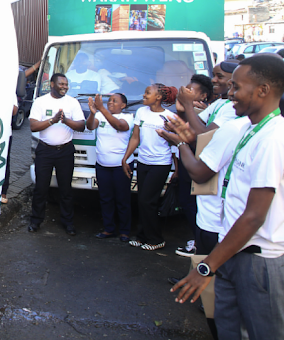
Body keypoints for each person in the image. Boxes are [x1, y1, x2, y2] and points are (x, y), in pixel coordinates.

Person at [167, 54, 284, 340]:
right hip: (230, 252)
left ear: (263, 90)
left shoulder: (274, 138)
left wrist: (206, 266)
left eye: (237, 87)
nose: (230, 93)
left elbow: (255, 215)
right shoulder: (245, 129)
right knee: (227, 330)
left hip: (257, 262)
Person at [122, 84, 177, 251]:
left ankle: (156, 239)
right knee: (142, 200)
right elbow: (135, 138)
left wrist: (178, 169)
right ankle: (142, 236)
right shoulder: (141, 112)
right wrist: (125, 158)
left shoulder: (169, 117)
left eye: (147, 93)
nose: (143, 95)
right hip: (143, 162)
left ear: (158, 97)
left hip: (160, 164)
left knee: (148, 201)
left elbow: (175, 144)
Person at [29, 73, 86, 235]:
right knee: (41, 188)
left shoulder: (72, 102)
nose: (64, 87)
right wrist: (52, 121)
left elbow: (81, 126)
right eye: (61, 84)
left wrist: (65, 120)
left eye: (66, 84)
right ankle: (35, 221)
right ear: (52, 84)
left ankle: (68, 223)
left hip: (65, 151)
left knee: (66, 189)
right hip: (45, 151)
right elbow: (33, 126)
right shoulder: (40, 101)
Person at [172, 73, 215, 257]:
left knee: (193, 204)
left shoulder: (204, 109)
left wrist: (188, 107)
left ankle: (199, 244)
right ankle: (197, 240)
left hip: (200, 163)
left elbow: (201, 136)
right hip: (187, 159)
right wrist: (181, 110)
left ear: (204, 96)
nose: (186, 92)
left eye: (191, 90)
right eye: (186, 88)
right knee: (186, 201)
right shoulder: (192, 108)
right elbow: (184, 127)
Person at [86, 93, 134, 242]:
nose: (110, 103)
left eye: (115, 101)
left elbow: (119, 126)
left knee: (122, 199)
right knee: (106, 198)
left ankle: (125, 231)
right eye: (109, 101)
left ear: (123, 105)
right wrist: (93, 114)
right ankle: (109, 229)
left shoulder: (128, 117)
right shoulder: (101, 115)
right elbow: (89, 126)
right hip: (102, 165)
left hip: (121, 166)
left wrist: (101, 109)